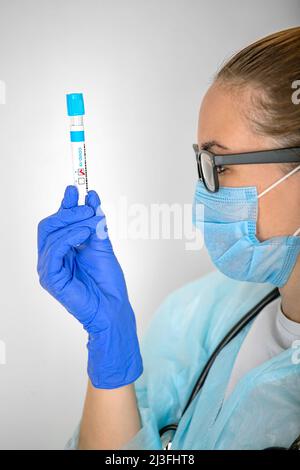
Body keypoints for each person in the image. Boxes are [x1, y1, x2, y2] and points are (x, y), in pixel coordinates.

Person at [37, 26, 300, 450]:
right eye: (201, 164)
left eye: (219, 165)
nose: (203, 190)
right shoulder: (202, 314)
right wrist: (111, 349)